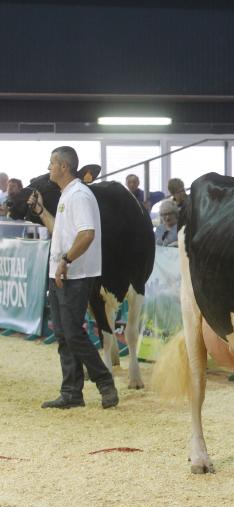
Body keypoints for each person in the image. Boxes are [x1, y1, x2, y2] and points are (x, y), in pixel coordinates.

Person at [27, 146, 119, 409]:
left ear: (63, 167)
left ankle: (104, 382)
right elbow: (62, 231)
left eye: (51, 163)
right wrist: (41, 212)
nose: (48, 168)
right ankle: (71, 392)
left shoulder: (79, 195)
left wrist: (66, 261)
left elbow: (87, 234)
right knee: (64, 335)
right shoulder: (68, 195)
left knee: (72, 333)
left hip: (74, 274)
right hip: (61, 274)